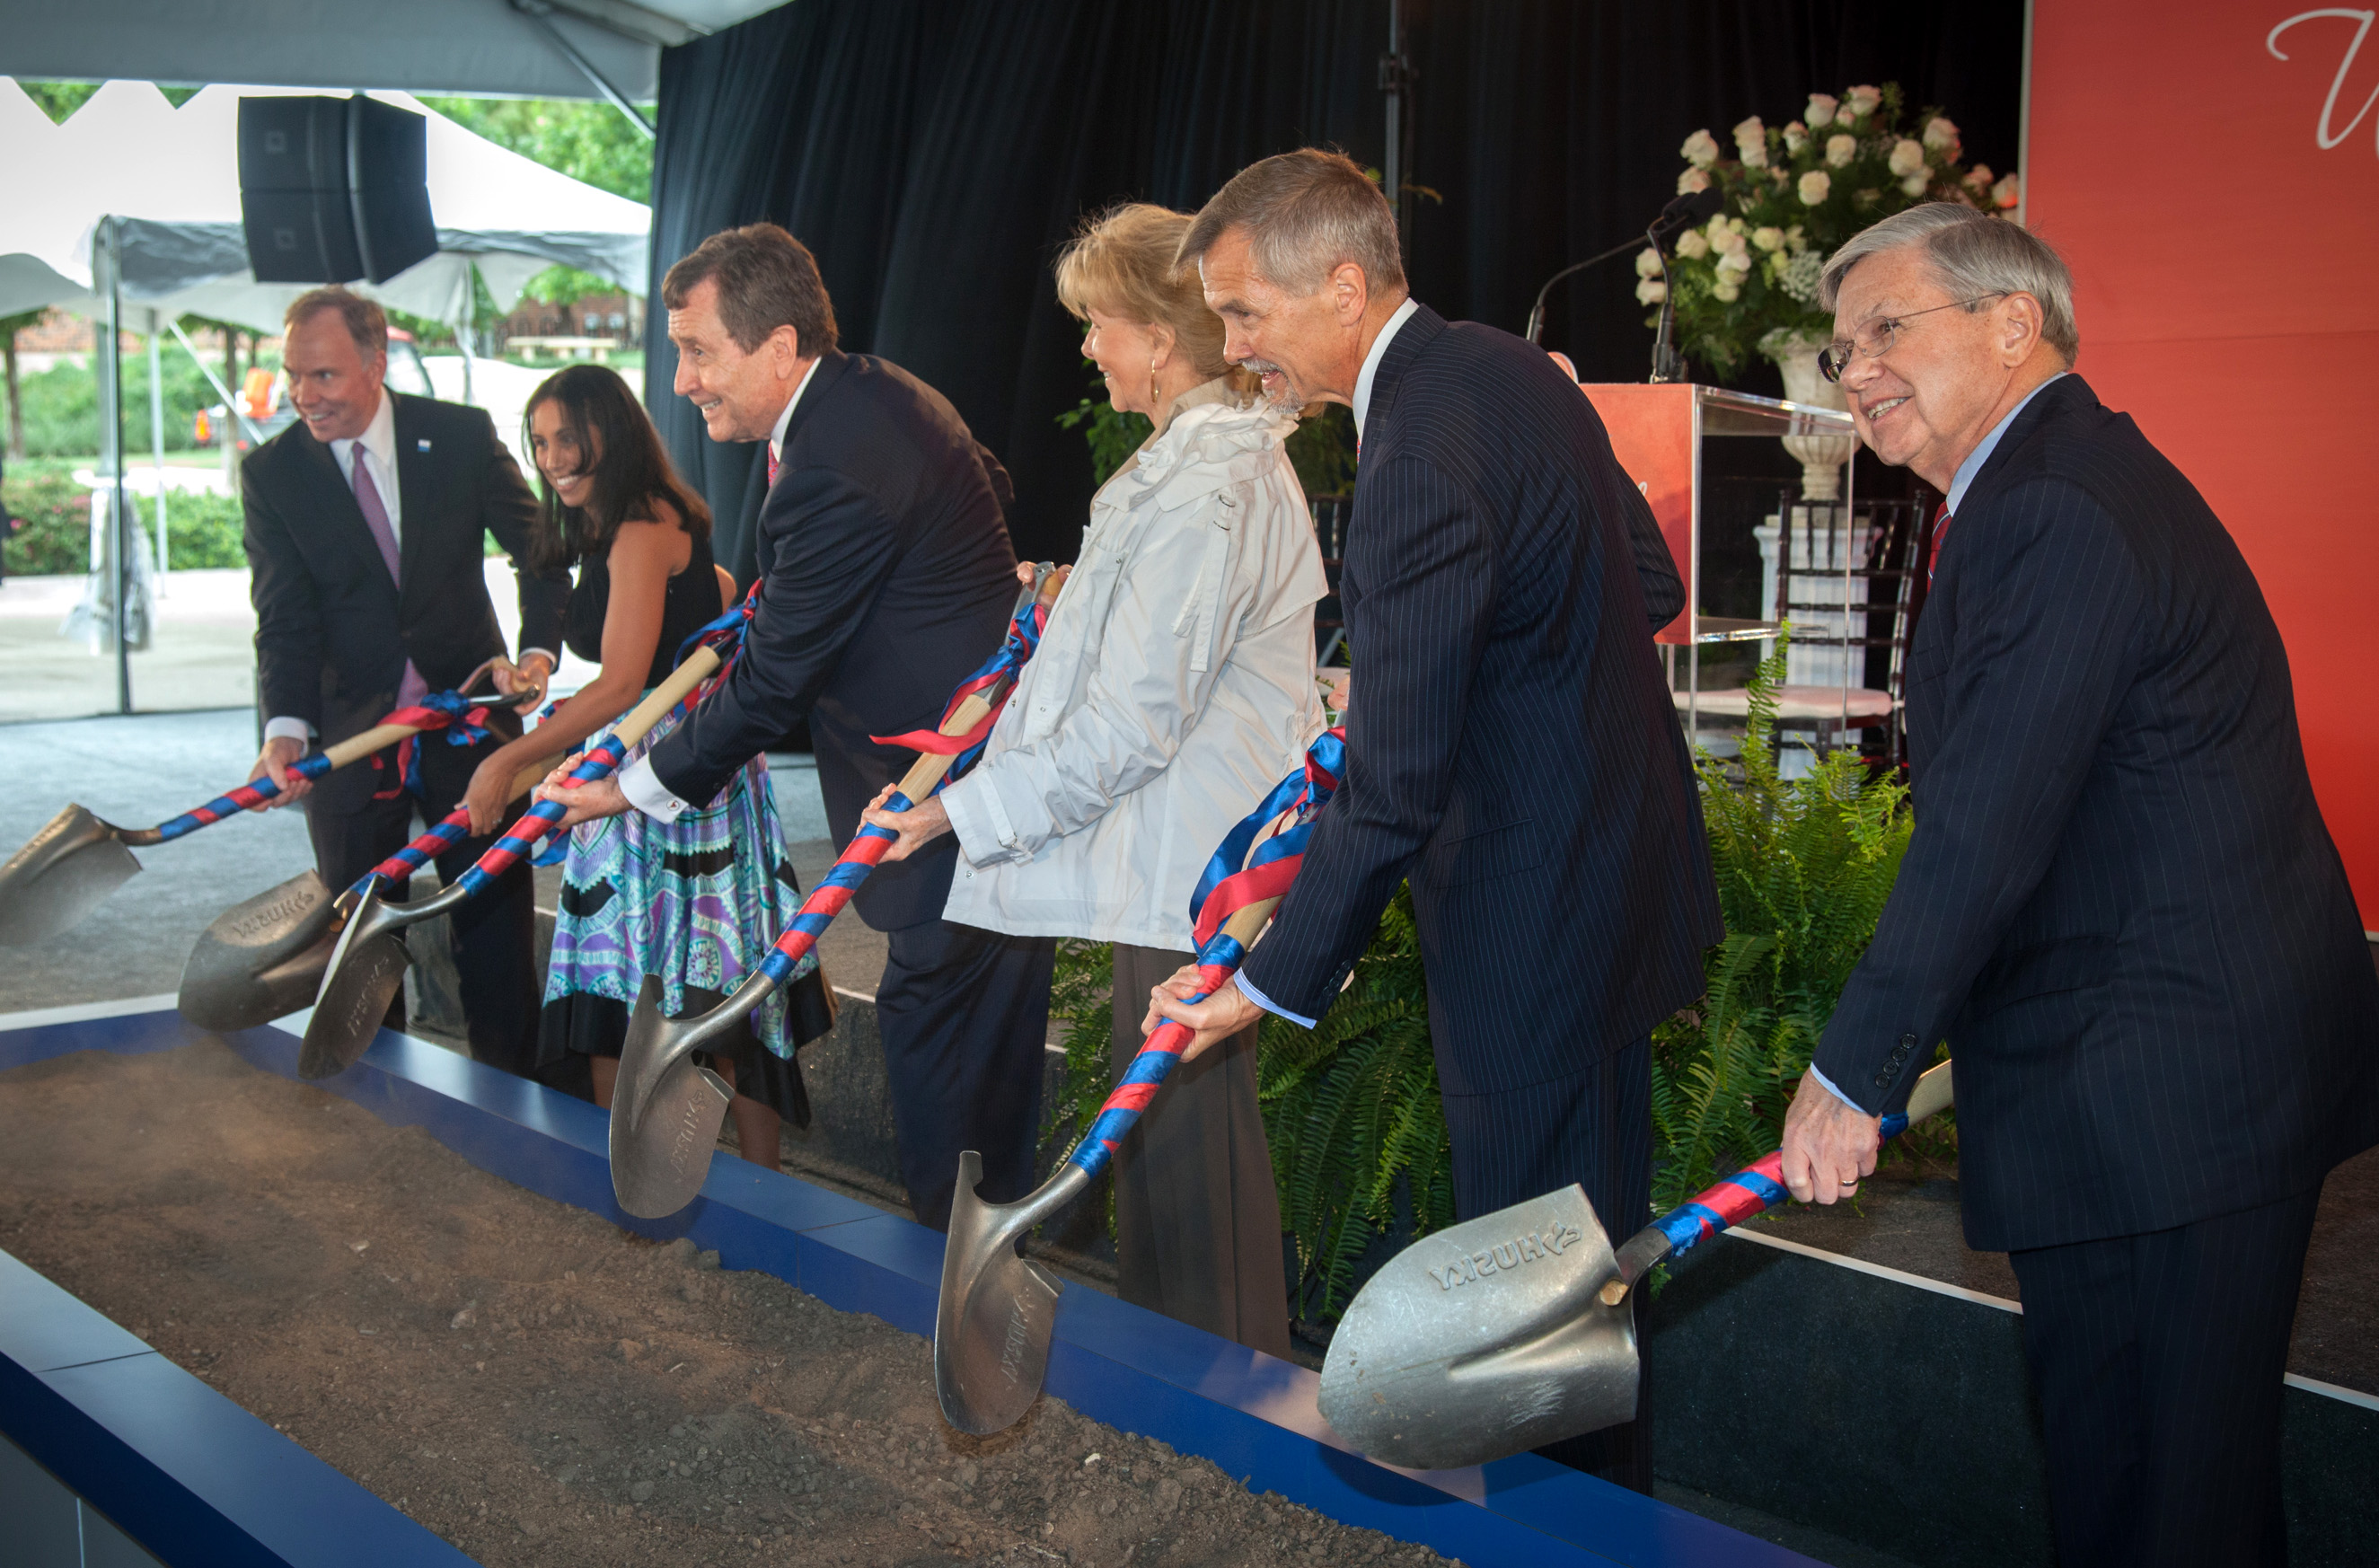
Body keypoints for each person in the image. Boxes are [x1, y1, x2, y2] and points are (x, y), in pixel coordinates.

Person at [1773, 203, 2379, 1567]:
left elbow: (1987, 822)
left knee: (2168, 1498)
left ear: (2009, 323)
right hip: (2162, 1069)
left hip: (2166, 1083)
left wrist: (1857, 1067)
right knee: (2146, 1479)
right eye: (1838, 346)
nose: (1856, 366)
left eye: (1887, 327)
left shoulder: (2051, 503)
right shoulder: (2051, 480)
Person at [1145, 150, 1722, 1489]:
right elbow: (1644, 581)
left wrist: (1272, 978)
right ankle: (1599, 1521)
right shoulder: (1509, 368)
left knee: (1528, 1304)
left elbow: (1395, 780)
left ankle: (1555, 1528)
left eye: (1246, 314)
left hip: (1530, 922)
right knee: (1592, 1265)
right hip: (1616, 882)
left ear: (1343, 285)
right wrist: (1476, 673)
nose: (1234, 351)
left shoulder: (1414, 450)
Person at [859, 203, 1327, 1355]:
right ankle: (1197, 1414)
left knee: (1194, 1176)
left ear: (1162, 341)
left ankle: (1233, 1431)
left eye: (1098, 324)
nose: (1085, 349)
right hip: (1176, 871)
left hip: (1200, 880)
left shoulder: (1211, 487)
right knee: (1168, 1172)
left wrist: (951, 817)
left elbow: (1131, 724)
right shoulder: (1190, 473)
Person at [537, 224, 1044, 1232]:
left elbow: (769, 690)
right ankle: (978, 1252)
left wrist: (628, 786)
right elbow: (987, 483)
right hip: (963, 784)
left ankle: (956, 1270)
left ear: (778, 345)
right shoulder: (869, 397)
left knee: (940, 1039)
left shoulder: (835, 458)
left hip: (942, 801)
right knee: (963, 1038)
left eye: (697, 351)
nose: (681, 380)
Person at [460, 363, 836, 1164]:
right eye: (539, 442)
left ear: (612, 430)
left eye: (568, 437)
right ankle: (668, 1181)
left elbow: (626, 684)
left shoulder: (640, 524)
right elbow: (715, 606)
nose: (553, 457)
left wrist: (509, 763)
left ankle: (663, 1185)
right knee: (701, 992)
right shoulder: (643, 524)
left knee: (660, 998)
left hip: (657, 795)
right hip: (672, 781)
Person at [242, 286, 568, 1074]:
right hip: (352, 737)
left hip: (472, 723)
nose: (302, 396)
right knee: (359, 932)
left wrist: (537, 654)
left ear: (375, 363)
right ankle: (376, 1103)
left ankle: (513, 1106)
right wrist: (284, 730)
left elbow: (542, 550)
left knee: (492, 928)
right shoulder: (273, 473)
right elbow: (282, 617)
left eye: (322, 376)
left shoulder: (456, 436)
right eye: (293, 376)